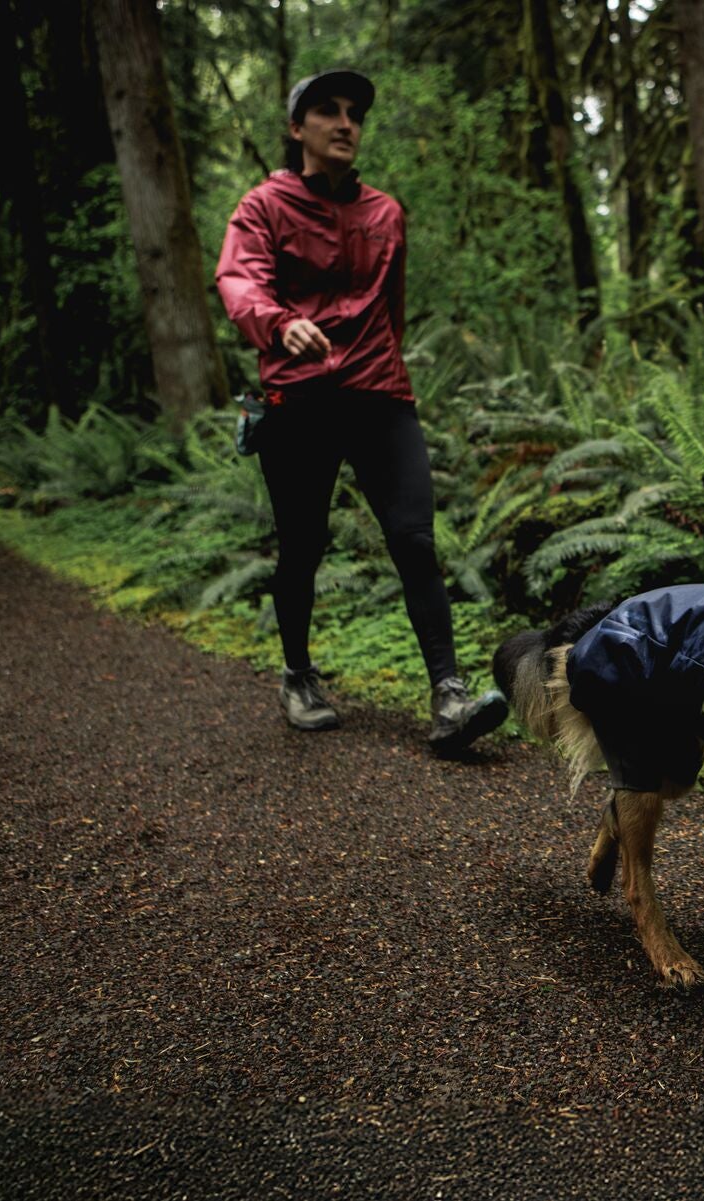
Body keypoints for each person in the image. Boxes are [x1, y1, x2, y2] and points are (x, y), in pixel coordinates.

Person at [215, 68, 506, 754]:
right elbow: (238, 279)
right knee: (304, 545)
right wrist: (278, 322)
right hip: (296, 396)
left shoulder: (385, 213)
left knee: (414, 538)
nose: (346, 123)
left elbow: (392, 310)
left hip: (378, 392)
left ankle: (449, 695)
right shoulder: (264, 205)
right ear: (297, 129)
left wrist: (382, 367)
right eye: (328, 111)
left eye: (355, 113)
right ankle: (297, 674)